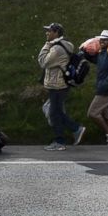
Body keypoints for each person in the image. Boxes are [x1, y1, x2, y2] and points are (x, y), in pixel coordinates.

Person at [38, 22, 85, 151]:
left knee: (54, 114)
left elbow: (43, 61)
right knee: (55, 112)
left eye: (50, 31)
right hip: (59, 84)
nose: (47, 33)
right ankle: (75, 130)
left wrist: (47, 44)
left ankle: (62, 139)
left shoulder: (57, 48)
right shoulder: (61, 45)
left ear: (56, 33)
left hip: (58, 85)